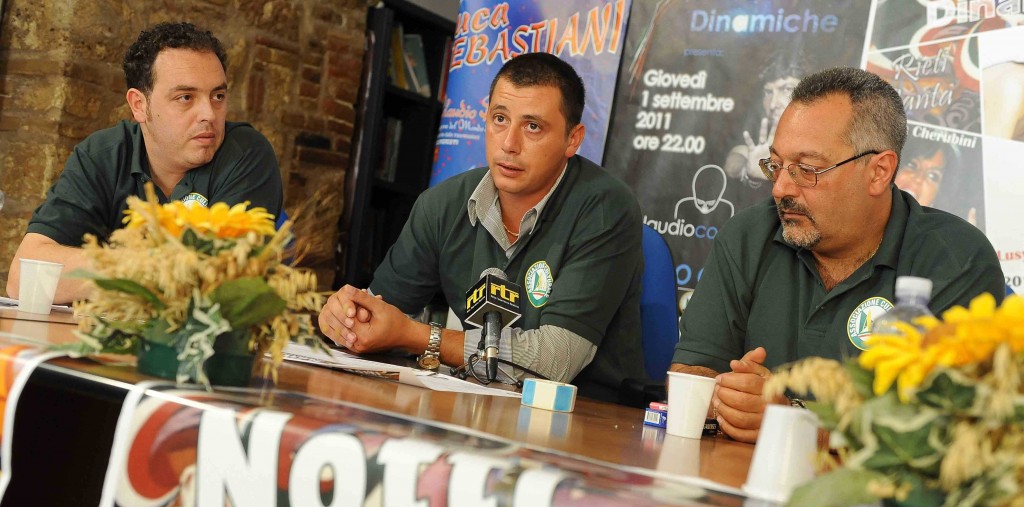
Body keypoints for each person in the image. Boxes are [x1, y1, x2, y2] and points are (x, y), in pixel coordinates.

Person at [671, 66, 1004, 443]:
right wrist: (730, 398)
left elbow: (943, 429)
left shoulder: (957, 259)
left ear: (879, 172)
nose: (780, 188)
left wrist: (792, 423)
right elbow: (691, 372)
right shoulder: (749, 234)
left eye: (807, 169)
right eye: (776, 166)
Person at [318, 52, 644, 403]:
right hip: (475, 401)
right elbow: (379, 317)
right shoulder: (442, 204)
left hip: (586, 415)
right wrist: (345, 322)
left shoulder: (605, 207)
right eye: (499, 119)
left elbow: (555, 360)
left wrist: (418, 336)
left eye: (532, 127)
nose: (509, 144)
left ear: (572, 139)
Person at [6, 22, 283, 303]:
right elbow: (24, 279)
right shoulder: (102, 154)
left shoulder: (245, 153)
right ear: (139, 105)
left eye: (218, 96)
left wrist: (108, 272)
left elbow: (219, 286)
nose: (209, 114)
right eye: (186, 97)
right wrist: (143, 268)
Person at [724, 53, 807, 189]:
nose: (773, 104)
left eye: (786, 89)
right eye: (768, 92)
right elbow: (735, 160)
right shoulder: (759, 140)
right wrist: (748, 171)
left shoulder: (832, 138)